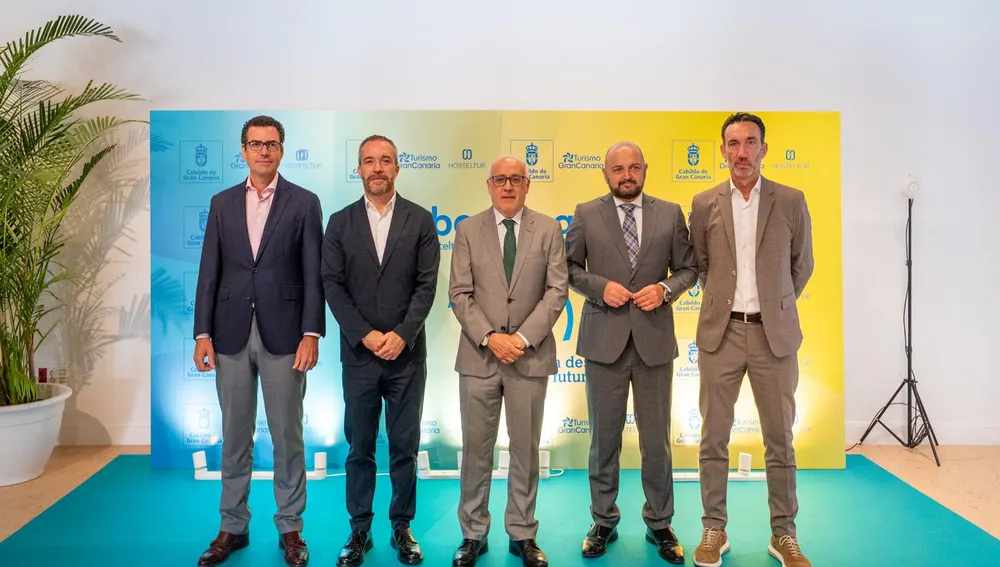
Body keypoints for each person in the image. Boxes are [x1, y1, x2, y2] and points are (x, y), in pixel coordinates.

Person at [193, 115, 324, 567]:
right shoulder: (222, 201)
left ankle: (291, 528)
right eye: (255, 144)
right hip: (228, 332)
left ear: (282, 150)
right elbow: (209, 270)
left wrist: (312, 332)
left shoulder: (304, 203)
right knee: (234, 434)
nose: (263, 151)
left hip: (286, 333)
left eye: (271, 144)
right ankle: (233, 526)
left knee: (288, 434)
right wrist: (202, 333)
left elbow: (313, 274)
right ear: (244, 151)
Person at [688, 112, 814, 567]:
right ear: (722, 150)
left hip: (774, 339)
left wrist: (776, 306)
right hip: (721, 336)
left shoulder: (792, 200)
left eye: (750, 142)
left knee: (780, 440)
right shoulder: (703, 203)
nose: (741, 151)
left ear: (764, 148)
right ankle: (713, 529)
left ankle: (784, 535)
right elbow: (701, 267)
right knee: (713, 439)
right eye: (733, 143)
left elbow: (802, 264)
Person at [564, 141, 697, 564]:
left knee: (657, 441)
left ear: (645, 169)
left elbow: (690, 269)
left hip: (654, 340)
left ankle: (660, 522)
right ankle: (603, 519)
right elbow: (567, 268)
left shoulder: (670, 213)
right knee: (603, 440)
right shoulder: (586, 213)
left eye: (633, 167)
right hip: (604, 342)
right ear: (605, 174)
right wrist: (599, 287)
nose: (626, 175)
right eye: (618, 169)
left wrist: (665, 289)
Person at [321, 134, 440, 567]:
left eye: (385, 160)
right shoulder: (339, 222)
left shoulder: (420, 220)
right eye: (369, 161)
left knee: (405, 446)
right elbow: (332, 284)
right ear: (359, 169)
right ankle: (359, 531)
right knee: (360, 447)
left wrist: (401, 334)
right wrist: (365, 335)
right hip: (359, 355)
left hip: (406, 356)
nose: (377, 168)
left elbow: (427, 286)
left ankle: (402, 527)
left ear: (397, 168)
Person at [447, 155, 569, 567]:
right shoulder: (467, 230)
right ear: (489, 185)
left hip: (529, 357)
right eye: (500, 179)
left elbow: (557, 292)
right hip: (479, 357)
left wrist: (518, 338)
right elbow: (459, 294)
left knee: (525, 449)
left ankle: (522, 532)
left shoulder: (550, 228)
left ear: (527, 184)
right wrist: (490, 337)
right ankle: (473, 534)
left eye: (516, 179)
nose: (508, 186)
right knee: (476, 450)